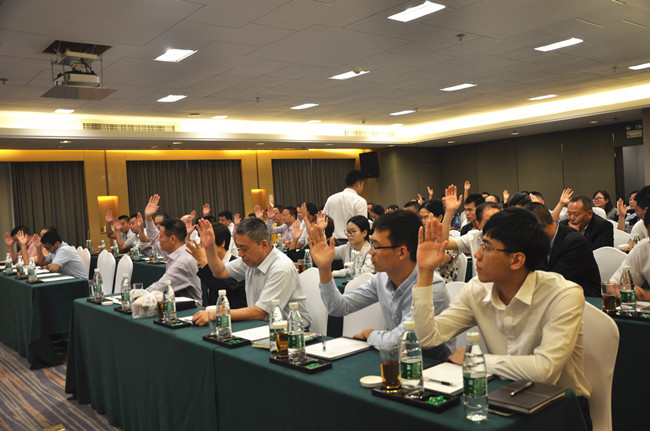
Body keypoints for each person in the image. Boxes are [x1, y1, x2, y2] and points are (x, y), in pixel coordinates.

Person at [412, 208, 592, 429]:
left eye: (487, 247)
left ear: (516, 260)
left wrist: (475, 360)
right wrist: (425, 272)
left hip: (560, 409)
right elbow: (427, 337)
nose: (476, 255)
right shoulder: (476, 290)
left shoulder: (563, 294)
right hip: (501, 396)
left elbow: (545, 370)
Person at [308, 210, 454, 359]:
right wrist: (324, 269)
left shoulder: (432, 286)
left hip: (434, 365)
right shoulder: (382, 279)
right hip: (397, 360)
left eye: (376, 246)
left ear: (402, 252)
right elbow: (338, 307)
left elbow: (403, 341)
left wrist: (371, 334)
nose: (370, 252)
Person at [191, 217, 311, 326]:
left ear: (263, 244)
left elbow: (261, 312)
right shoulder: (251, 260)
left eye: (244, 249)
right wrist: (210, 247)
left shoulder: (281, 267)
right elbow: (219, 272)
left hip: (292, 332)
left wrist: (218, 314)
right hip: (260, 326)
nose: (240, 254)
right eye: (239, 248)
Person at [526, 202, 601, 297]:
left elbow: (556, 281)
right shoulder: (540, 241)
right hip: (553, 295)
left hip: (584, 298)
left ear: (540, 228)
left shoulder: (574, 242)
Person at [143, 195, 201, 303]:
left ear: (173, 239)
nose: (159, 240)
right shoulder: (174, 251)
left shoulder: (183, 261)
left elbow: (159, 288)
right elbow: (154, 239)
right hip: (176, 305)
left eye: (161, 237)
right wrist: (148, 218)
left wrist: (137, 296)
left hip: (190, 310)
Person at [186, 222, 246, 309]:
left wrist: (203, 261)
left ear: (222, 243)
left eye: (208, 244)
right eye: (202, 244)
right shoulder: (209, 265)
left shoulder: (237, 264)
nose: (203, 248)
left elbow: (221, 288)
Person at [419, 200, 458, 282]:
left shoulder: (451, 241)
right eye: (421, 218)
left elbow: (439, 263)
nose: (423, 221)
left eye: (426, 217)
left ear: (440, 217)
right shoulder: (421, 238)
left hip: (444, 283)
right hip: (424, 280)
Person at [323, 170, 367, 241]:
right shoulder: (360, 201)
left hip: (332, 241)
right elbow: (362, 225)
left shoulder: (331, 199)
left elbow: (324, 220)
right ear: (358, 185)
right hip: (352, 241)